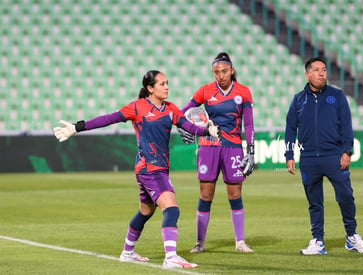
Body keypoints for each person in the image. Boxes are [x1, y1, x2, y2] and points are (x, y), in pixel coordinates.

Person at [53, 70, 221, 269]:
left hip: (154, 169)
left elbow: (188, 127)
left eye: (167, 83)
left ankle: (127, 252)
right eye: (162, 84)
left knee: (145, 211)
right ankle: (171, 257)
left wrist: (206, 130)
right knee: (172, 209)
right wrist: (76, 127)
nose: (167, 87)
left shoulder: (171, 109)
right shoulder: (137, 107)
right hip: (150, 169)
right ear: (150, 88)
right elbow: (109, 118)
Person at [284, 56, 363, 255]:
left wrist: (347, 151)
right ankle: (317, 241)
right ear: (307, 74)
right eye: (316, 70)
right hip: (308, 159)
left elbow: (347, 125)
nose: (322, 73)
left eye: (324, 69)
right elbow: (290, 129)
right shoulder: (298, 99)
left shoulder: (337, 96)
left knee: (346, 196)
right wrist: (289, 154)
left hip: (334, 156)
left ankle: (351, 236)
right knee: (314, 202)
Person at [178, 52, 256, 253]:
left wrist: (251, 150)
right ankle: (200, 243)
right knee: (206, 194)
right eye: (216, 72)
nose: (221, 76)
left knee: (235, 193)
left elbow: (248, 123)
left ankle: (240, 242)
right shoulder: (204, 91)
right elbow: (184, 112)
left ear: (232, 70)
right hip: (208, 146)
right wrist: (187, 128)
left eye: (224, 71)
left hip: (233, 148)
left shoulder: (243, 92)